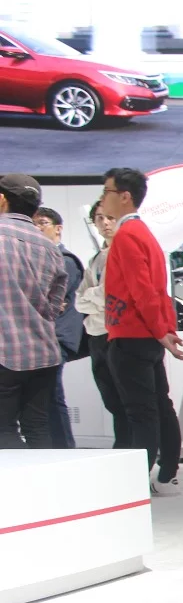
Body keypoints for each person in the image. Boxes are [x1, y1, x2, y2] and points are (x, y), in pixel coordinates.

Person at [100, 167, 183, 495]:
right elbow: (157, 290)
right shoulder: (145, 234)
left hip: (131, 333)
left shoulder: (126, 235)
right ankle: (166, 474)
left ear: (124, 196)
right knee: (158, 406)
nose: (103, 198)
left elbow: (142, 289)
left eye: (107, 191)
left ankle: (138, 483)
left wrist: (161, 330)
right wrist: (163, 330)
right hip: (146, 335)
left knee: (140, 412)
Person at [0, 174, 67, 448]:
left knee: (3, 428)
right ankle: (45, 489)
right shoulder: (50, 249)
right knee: (38, 426)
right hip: (43, 353)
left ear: (2, 199)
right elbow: (54, 308)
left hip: (4, 353)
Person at [76, 206, 131, 447]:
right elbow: (79, 299)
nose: (105, 223)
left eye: (111, 217)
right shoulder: (96, 258)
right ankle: (123, 445)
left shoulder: (122, 253)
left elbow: (110, 293)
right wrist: (95, 298)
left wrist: (94, 297)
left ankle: (132, 448)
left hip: (117, 334)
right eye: (100, 218)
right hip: (96, 334)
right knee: (111, 399)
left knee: (127, 399)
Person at [32, 206, 85, 448]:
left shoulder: (66, 260)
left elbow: (52, 299)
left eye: (42, 223)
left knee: (52, 397)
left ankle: (66, 450)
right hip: (43, 337)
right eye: (34, 224)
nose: (37, 228)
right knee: (43, 398)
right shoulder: (42, 260)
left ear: (58, 229)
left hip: (57, 337)